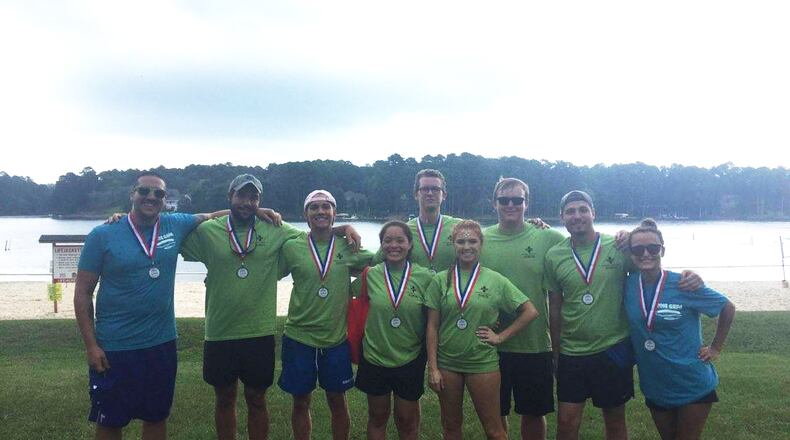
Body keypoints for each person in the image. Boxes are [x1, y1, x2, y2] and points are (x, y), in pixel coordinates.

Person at [178, 175, 362, 440]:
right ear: (230, 197)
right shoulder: (209, 231)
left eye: (253, 198)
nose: (247, 202)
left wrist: (343, 228)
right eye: (241, 196)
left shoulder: (276, 228)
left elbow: (314, 237)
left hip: (259, 332)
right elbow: (176, 230)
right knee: (224, 398)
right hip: (219, 331)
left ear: (260, 200)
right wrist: (220, 214)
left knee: (257, 399)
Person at [74, 172, 227, 440]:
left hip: (161, 344)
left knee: (156, 417)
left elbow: (214, 215)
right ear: (132, 194)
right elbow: (83, 293)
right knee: (110, 421)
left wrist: (261, 212)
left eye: (159, 193)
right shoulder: (102, 234)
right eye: (144, 191)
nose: (151, 197)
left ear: (165, 200)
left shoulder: (175, 223)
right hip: (115, 346)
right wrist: (91, 346)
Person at [545, 190, 703, 440]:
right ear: (562, 217)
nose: (577, 216)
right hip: (572, 351)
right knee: (566, 422)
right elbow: (554, 307)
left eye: (583, 209)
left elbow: (650, 267)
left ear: (593, 213)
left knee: (615, 420)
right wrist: (556, 351)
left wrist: (688, 276)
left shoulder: (619, 246)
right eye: (570, 211)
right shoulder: (554, 255)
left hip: (613, 348)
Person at [424, 220, 539, 440]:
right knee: (451, 426)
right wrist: (433, 368)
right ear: (453, 244)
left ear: (481, 244)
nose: (466, 246)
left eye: (472, 242)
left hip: (482, 363)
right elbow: (432, 326)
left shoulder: (495, 280)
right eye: (461, 242)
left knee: (494, 431)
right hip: (448, 363)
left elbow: (530, 311)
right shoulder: (440, 280)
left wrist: (500, 337)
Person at [624, 219, 735, 440]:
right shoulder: (626, 284)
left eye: (653, 248)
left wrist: (715, 347)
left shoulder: (684, 284)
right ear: (630, 254)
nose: (646, 253)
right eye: (638, 249)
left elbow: (727, 307)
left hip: (691, 381)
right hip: (655, 384)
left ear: (662, 251)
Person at [278, 190, 374, 440]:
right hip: (299, 337)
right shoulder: (291, 246)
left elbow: (381, 260)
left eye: (326, 207)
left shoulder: (348, 246)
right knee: (300, 401)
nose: (320, 211)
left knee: (337, 400)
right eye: (314, 207)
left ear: (334, 213)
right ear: (305, 214)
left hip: (336, 339)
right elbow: (265, 268)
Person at [480, 178, 565, 440]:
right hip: (491, 345)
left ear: (527, 203)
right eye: (504, 200)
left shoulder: (547, 237)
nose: (511, 205)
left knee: (534, 413)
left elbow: (585, 248)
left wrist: (624, 238)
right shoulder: (481, 239)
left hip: (535, 344)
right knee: (496, 413)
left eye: (517, 200)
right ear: (494, 203)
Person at [353, 221, 433, 440]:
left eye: (400, 240)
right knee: (377, 418)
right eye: (388, 240)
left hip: (410, 358)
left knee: (406, 420)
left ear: (410, 244)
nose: (394, 245)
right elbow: (341, 291)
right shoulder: (370, 275)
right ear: (381, 245)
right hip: (374, 356)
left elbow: (445, 306)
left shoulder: (426, 277)